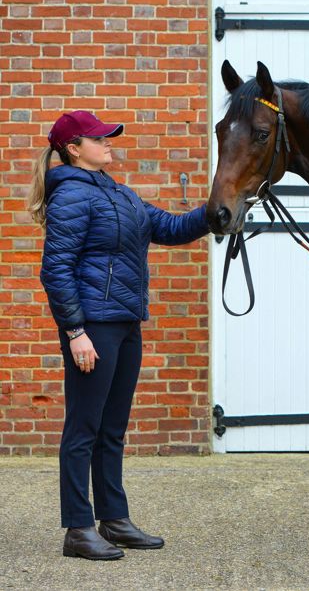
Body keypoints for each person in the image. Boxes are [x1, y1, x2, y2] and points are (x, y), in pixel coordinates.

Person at [27, 111, 210, 560]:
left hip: (126, 323)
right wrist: (75, 332)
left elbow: (170, 228)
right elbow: (56, 271)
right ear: (74, 149)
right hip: (93, 327)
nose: (109, 143)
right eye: (99, 138)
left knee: (112, 429)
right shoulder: (71, 195)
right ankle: (78, 528)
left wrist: (218, 211)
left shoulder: (119, 193)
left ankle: (114, 519)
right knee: (83, 429)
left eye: (108, 137)